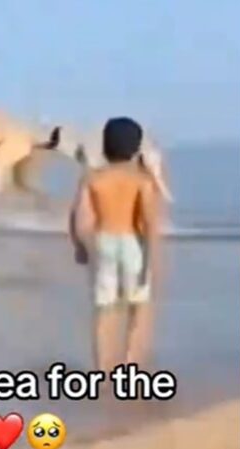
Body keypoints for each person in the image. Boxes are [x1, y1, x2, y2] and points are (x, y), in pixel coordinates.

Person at [69, 117, 163, 373]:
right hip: (133, 244)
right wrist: (152, 259)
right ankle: (129, 365)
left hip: (104, 243)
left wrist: (79, 246)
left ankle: (101, 369)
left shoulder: (92, 178)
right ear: (136, 147)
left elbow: (77, 216)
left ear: (105, 145)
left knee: (104, 309)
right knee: (137, 307)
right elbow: (149, 222)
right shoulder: (141, 180)